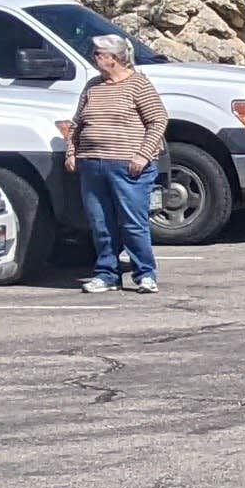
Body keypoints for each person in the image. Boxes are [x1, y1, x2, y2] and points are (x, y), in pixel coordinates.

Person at [63, 30, 170, 294]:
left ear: (115, 58)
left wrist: (143, 154)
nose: (94, 58)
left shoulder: (138, 85)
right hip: (92, 165)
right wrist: (71, 152)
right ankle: (106, 274)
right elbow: (77, 123)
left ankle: (145, 274)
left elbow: (158, 120)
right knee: (101, 224)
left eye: (99, 54)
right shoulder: (93, 86)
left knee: (133, 223)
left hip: (129, 166)